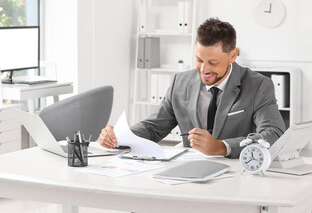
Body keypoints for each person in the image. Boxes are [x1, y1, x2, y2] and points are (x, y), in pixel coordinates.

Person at [98, 18, 285, 159]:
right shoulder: (181, 82)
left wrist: (222, 147)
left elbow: (273, 134)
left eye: (213, 62)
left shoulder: (259, 85)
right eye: (199, 60)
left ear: (232, 55)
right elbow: (153, 127)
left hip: (238, 172)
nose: (204, 70)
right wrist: (120, 138)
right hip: (190, 171)